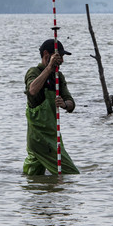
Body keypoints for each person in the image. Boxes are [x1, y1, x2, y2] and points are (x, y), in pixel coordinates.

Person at [23, 39, 80, 175]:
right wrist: (49, 69)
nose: (61, 61)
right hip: (40, 139)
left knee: (32, 176)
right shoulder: (34, 72)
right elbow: (32, 90)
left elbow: (71, 103)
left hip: (52, 134)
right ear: (46, 54)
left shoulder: (58, 77)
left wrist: (65, 104)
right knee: (69, 174)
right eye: (59, 57)